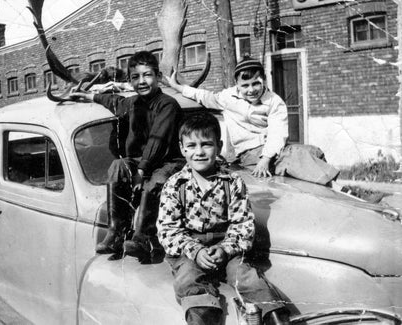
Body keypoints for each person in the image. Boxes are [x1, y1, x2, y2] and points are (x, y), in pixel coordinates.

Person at [157, 112, 290, 325]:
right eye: (191, 146)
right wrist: (196, 250)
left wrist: (225, 249)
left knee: (247, 276)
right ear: (182, 148)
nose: (199, 152)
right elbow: (168, 230)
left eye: (206, 144)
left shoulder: (233, 182)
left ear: (218, 146)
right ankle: (203, 317)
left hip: (226, 247)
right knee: (188, 279)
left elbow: (243, 224)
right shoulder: (175, 185)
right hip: (189, 250)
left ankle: (273, 317)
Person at [71, 51, 184, 261]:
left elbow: (157, 141)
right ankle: (115, 232)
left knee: (154, 183)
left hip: (168, 162)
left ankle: (144, 237)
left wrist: (141, 171)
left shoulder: (167, 104)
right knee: (118, 165)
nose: (142, 81)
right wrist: (89, 96)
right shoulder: (132, 103)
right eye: (135, 77)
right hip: (141, 162)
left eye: (147, 75)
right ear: (131, 80)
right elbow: (112, 101)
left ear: (158, 77)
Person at [165, 56, 340, 187]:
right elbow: (204, 96)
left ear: (264, 79)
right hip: (250, 155)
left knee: (313, 151)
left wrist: (266, 158)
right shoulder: (228, 97)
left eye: (256, 83)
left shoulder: (274, 101)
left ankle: (331, 189)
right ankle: (335, 187)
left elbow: (277, 132)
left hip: (271, 152)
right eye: (245, 85)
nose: (251, 90)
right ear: (237, 85)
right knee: (294, 155)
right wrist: (178, 87)